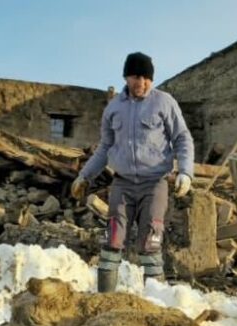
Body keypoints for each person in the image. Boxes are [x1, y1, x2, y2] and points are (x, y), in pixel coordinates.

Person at [72, 52, 195, 293]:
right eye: (136, 77)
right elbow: (105, 147)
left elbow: (182, 138)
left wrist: (186, 172)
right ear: (126, 77)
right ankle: (105, 299)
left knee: (150, 240)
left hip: (154, 183)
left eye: (147, 78)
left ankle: (156, 301)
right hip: (123, 184)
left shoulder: (164, 102)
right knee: (113, 239)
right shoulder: (113, 108)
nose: (142, 83)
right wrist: (84, 176)